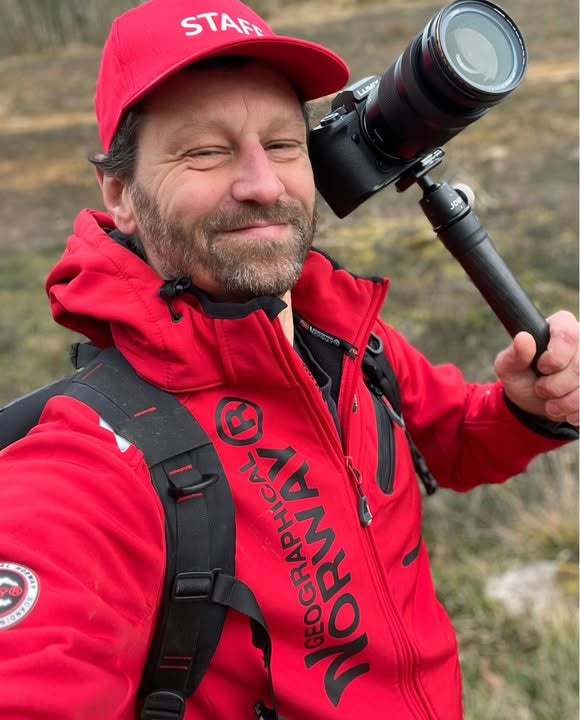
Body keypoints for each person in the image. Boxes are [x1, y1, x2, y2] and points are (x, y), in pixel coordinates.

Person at [0, 0, 578, 718]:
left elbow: (452, 436)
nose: (263, 184)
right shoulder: (92, 463)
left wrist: (524, 408)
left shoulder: (345, 340)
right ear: (120, 194)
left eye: (282, 144)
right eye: (204, 152)